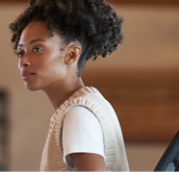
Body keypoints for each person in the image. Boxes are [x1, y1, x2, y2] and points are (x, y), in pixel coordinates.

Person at [9, 0, 129, 171]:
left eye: (37, 49)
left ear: (71, 55)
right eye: (21, 52)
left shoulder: (79, 115)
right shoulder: (85, 105)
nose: (24, 61)